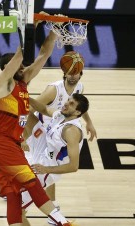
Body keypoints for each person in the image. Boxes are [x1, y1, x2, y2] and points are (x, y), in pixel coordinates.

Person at [0, 12, 79, 226]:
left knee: (13, 193)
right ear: (7, 69)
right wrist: (30, 27)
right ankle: (62, 222)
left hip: (11, 143)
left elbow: (43, 55)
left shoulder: (22, 82)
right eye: (16, 67)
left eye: (21, 67)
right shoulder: (3, 84)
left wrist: (55, 29)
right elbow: (20, 56)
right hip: (1, 143)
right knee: (31, 182)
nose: (21, 68)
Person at [28, 53, 97, 221]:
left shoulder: (72, 127)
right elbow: (40, 109)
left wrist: (89, 122)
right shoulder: (54, 90)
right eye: (71, 72)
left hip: (56, 137)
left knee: (41, 174)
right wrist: (23, 96)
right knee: (21, 156)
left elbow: (81, 108)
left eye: (77, 73)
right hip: (50, 126)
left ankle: (55, 214)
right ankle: (54, 211)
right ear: (64, 72)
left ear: (81, 74)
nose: (73, 75)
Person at [20, 93, 89, 226]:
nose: (66, 103)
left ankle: (58, 219)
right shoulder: (62, 115)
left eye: (72, 104)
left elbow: (74, 166)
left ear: (78, 112)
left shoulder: (71, 131)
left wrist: (46, 169)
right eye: (69, 100)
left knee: (17, 211)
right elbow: (44, 109)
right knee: (25, 112)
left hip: (48, 168)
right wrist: (26, 97)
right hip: (44, 149)